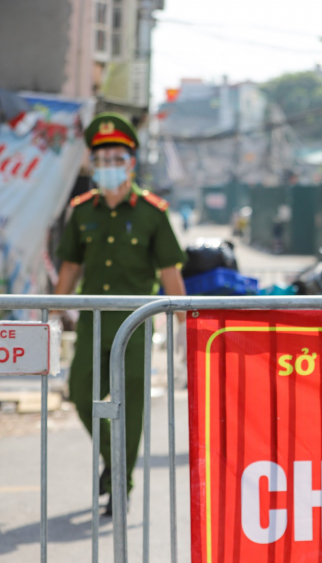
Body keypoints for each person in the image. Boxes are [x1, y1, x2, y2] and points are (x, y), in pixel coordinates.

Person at [54, 112, 187, 515]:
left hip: (136, 325)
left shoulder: (152, 212)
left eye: (117, 157)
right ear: (92, 164)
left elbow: (169, 274)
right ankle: (115, 461)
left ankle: (121, 482)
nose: (109, 166)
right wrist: (55, 312)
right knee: (80, 395)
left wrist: (187, 327)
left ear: (131, 162)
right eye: (102, 158)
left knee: (129, 407)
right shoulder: (81, 211)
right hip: (93, 322)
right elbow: (71, 267)